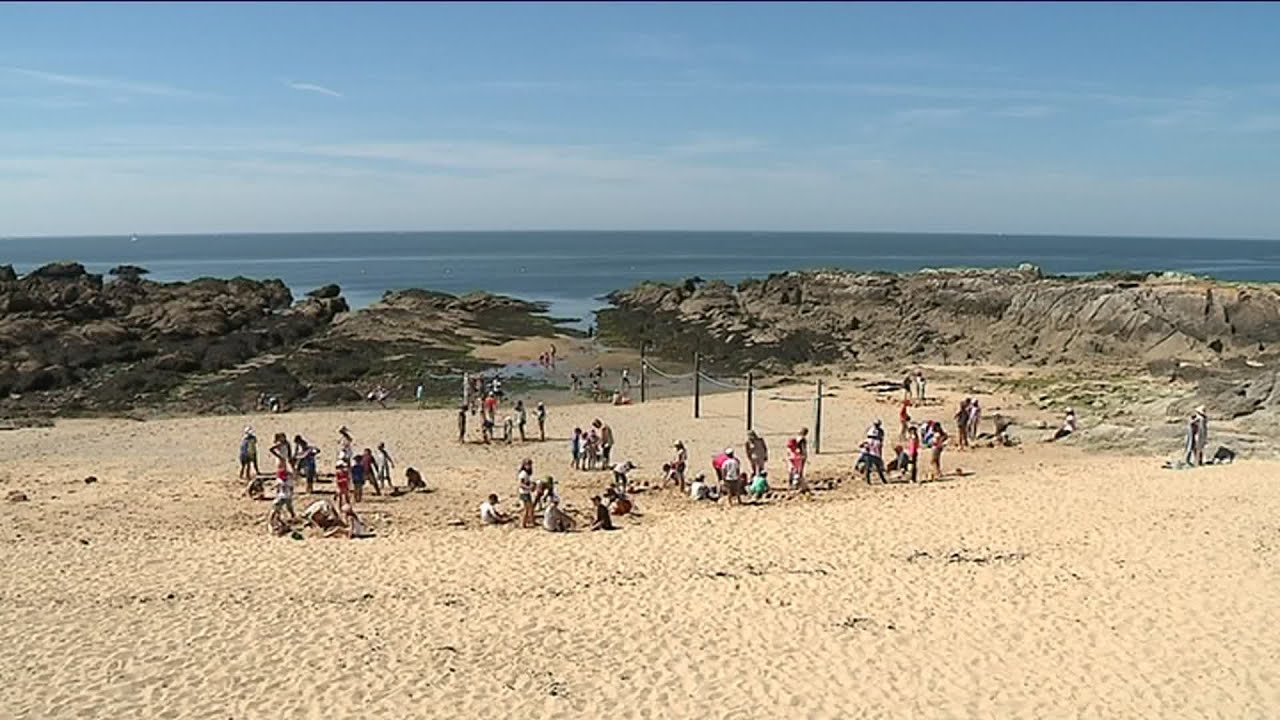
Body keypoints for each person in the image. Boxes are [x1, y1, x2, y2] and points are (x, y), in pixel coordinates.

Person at [518, 459, 537, 528]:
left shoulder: (526, 473)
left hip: (526, 493)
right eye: (528, 465)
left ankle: (532, 521)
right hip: (524, 493)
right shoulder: (523, 474)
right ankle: (523, 524)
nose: (529, 466)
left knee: (530, 508)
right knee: (526, 509)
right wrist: (529, 487)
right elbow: (521, 484)